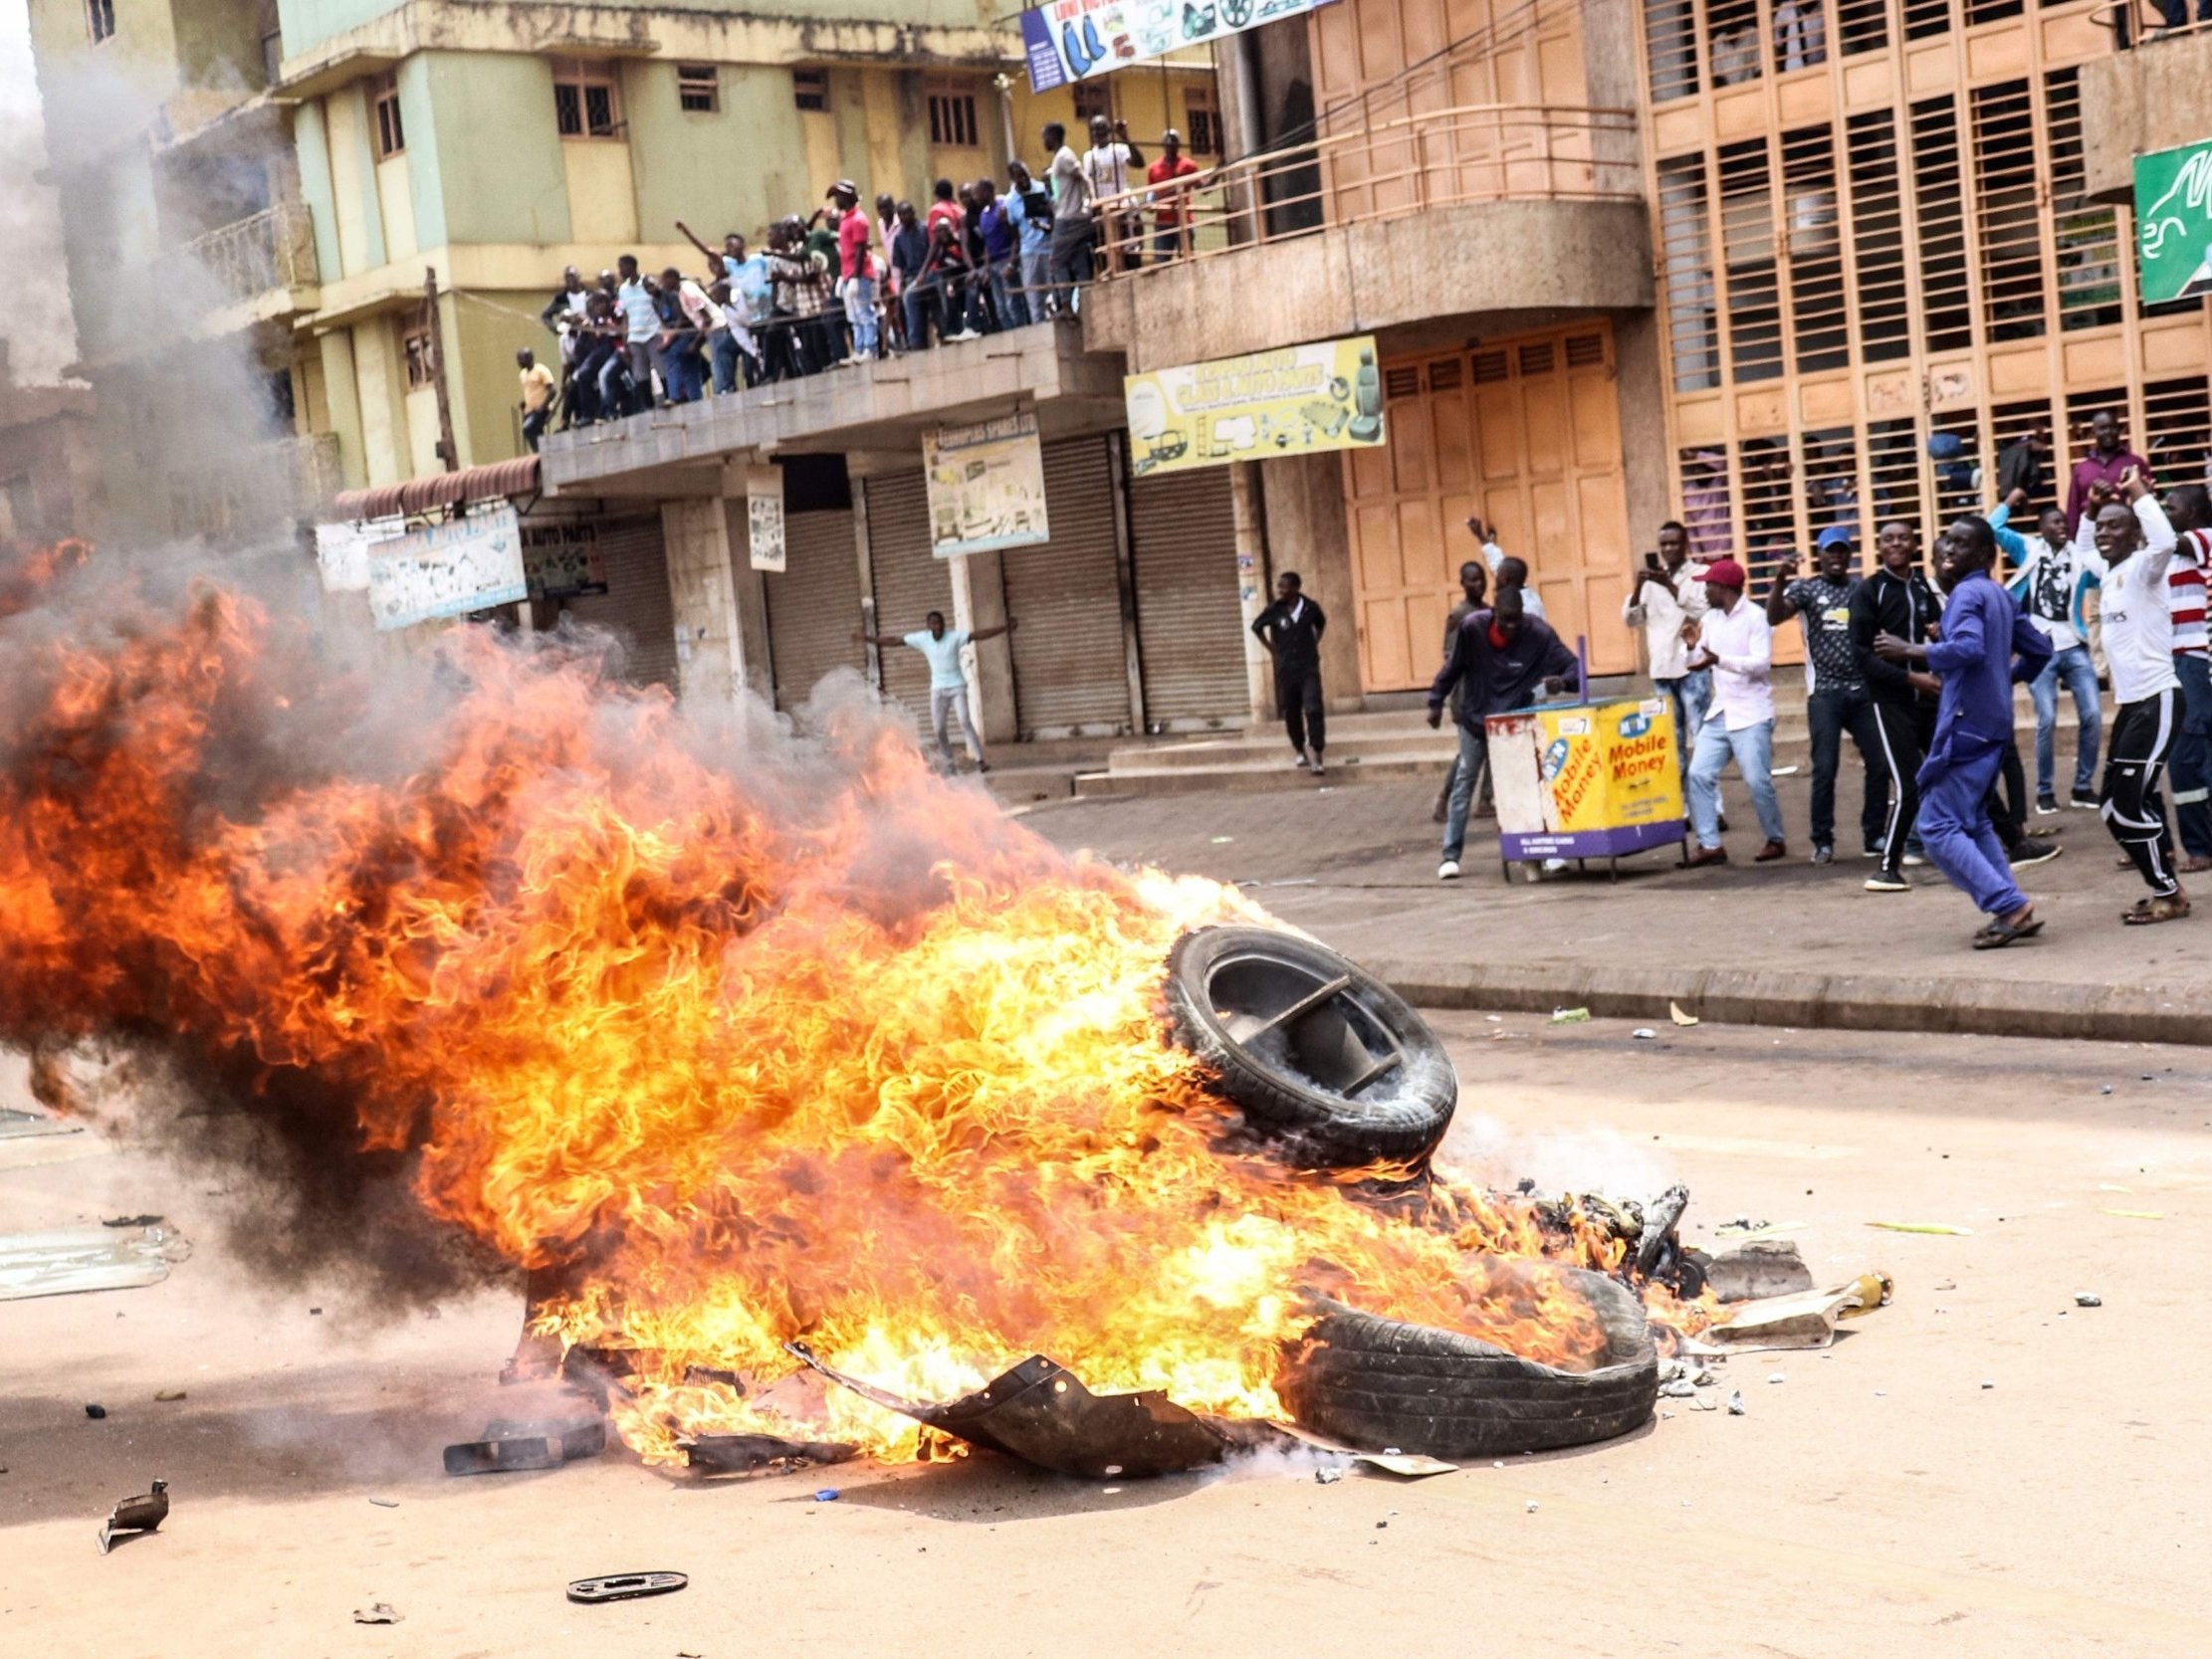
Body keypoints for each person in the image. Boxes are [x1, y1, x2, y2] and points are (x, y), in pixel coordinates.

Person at [1871, 516, 2051, 946]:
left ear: (1987, 556)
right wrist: (1999, 679)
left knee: (1935, 826)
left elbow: (1969, 649)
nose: (1949, 550)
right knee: (1971, 821)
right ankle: (2012, 904)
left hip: (1966, 724)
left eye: (1962, 544)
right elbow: (2040, 650)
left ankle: (2009, 905)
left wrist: (1911, 649)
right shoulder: (1999, 594)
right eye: (1948, 542)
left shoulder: (1968, 592)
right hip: (1992, 724)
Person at [2075, 472, 2189, 921]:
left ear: (2135, 533)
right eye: (2101, 526)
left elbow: (2163, 541)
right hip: (2132, 706)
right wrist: (2089, 511)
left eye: (2114, 525)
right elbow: (2084, 551)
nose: (2104, 532)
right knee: (2112, 805)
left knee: (2126, 805)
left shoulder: (2145, 567)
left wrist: (2138, 493)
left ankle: (2169, 893)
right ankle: (2164, 878)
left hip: (2158, 700)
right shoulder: (2111, 570)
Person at [1427, 588, 1576, 879]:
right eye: (1506, 620)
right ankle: (1450, 855)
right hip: (1477, 720)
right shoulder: (1472, 629)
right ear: (1494, 614)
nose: (1511, 628)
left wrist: (1563, 681)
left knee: (1526, 785)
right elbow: (1453, 667)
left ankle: (1541, 852)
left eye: (1516, 621)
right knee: (1465, 781)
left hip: (1514, 724)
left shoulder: (1537, 634)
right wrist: (1435, 701)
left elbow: (1573, 665)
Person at [1768, 526, 1879, 865]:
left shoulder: (1862, 588)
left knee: (1880, 763)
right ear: (1820, 555)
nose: (1836, 556)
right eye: (1830, 551)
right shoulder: (1805, 589)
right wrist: (1779, 581)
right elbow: (1774, 615)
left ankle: (1874, 834)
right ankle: (1823, 840)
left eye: (1842, 550)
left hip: (1862, 691)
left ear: (1850, 555)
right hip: (1825, 695)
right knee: (1825, 768)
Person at [1991, 488, 2100, 813]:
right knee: (2047, 719)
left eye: (2064, 522)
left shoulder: (2079, 553)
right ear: (2041, 529)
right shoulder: (2028, 548)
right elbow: (1991, 528)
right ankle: (2044, 791)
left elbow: (2100, 571)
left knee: (2093, 714)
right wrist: (2009, 502)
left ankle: (2082, 787)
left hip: (2074, 644)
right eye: (2054, 522)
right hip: (2039, 646)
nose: (2061, 526)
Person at [1851, 520, 1942, 891]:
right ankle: (1887, 866)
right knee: (1908, 785)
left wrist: (1939, 635)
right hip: (1889, 702)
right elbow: (1862, 655)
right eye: (1889, 539)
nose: (1897, 543)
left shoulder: (1923, 587)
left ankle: (1957, 849)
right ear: (1880, 547)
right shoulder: (1869, 591)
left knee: (1947, 774)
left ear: (1915, 544)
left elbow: (1941, 632)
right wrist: (1911, 678)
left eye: (1904, 537)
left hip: (1928, 701)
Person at [1682, 557, 1788, 867]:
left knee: (1757, 780)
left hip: (1752, 712)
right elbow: (1695, 661)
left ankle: (1775, 838)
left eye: (1709, 586)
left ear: (1724, 588)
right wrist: (1690, 646)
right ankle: (1710, 844)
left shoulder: (1756, 618)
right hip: (1721, 711)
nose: (1704, 592)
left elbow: (1761, 663)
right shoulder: (1712, 619)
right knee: (1698, 774)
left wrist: (1719, 660)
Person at [856, 610, 1018, 775]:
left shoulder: (954, 637)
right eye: (933, 624)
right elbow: (894, 640)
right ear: (929, 626)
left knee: (964, 721)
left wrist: (1004, 628)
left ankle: (980, 760)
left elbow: (978, 635)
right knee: (939, 729)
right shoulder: (922, 639)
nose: (937, 627)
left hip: (957, 687)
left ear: (943, 624)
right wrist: (868, 639)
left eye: (939, 623)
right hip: (938, 690)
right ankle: (949, 765)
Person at [1623, 519, 1711, 797]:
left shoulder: (1700, 574)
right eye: (1664, 544)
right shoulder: (1650, 582)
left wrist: (1671, 586)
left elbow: (1703, 611)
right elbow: (1631, 618)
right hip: (1662, 671)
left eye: (1674, 543)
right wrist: (1639, 587)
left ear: (1686, 544)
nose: (1669, 548)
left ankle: (1713, 807)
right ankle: (1681, 808)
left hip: (1691, 667)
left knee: (1702, 740)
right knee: (1672, 745)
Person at [2155, 483, 2212, 874]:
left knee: (2188, 756)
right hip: (2174, 663)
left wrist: (2141, 497)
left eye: (2170, 508)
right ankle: (2200, 845)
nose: (2164, 513)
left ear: (2192, 513)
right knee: (2189, 758)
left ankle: (2200, 847)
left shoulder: (2205, 539)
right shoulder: (2172, 555)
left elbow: (2167, 540)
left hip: (2194, 661)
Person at [1250, 571, 1328, 775]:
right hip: (1287, 670)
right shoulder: (1275, 610)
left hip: (1308, 667)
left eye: (1284, 587)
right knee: (1292, 712)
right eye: (1279, 586)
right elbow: (1256, 627)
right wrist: (1272, 650)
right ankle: (1299, 749)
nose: (1280, 590)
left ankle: (1317, 754)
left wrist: (1313, 644)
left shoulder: (1311, 607)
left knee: (1313, 708)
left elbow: (1321, 625)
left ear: (1295, 588)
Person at [1433, 557, 1490, 824]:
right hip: (1467, 695)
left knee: (1493, 747)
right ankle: (1445, 797)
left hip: (1490, 693)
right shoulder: (1459, 616)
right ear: (1463, 583)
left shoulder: (1490, 612)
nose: (1478, 584)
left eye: (1481, 578)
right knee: (1469, 754)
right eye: (1472, 580)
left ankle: (1486, 800)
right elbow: (1450, 656)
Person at [2066, 408, 2151, 533]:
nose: (2108, 432)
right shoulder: (2081, 469)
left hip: (2127, 534)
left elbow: (2148, 500)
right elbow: (2073, 509)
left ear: (2119, 430)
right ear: (2094, 432)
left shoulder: (2135, 463)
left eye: (2113, 427)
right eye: (2103, 428)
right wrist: (2072, 540)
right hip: (2091, 534)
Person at [1044, 121, 1095, 309]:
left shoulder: (1064, 156)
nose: (1044, 141)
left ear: (1053, 136)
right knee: (1078, 259)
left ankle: (1066, 306)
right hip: (1073, 215)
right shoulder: (1060, 157)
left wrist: (1092, 199)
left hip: (1068, 219)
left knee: (1056, 261)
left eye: (1045, 137)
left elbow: (1084, 177)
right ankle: (1086, 303)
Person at [1083, 115, 1143, 272]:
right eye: (1094, 129)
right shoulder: (1088, 156)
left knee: (1126, 249)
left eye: (1101, 127)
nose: (1097, 132)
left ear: (1108, 129)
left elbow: (1139, 163)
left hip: (1120, 207)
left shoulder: (1118, 150)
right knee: (1104, 252)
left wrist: (1125, 137)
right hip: (1101, 210)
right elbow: (1089, 184)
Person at [828, 180, 879, 363]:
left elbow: (859, 250)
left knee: (865, 313)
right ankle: (858, 349)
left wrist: (856, 277)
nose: (836, 200)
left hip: (861, 274)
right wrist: (845, 276)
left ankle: (870, 349)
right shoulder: (845, 219)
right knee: (854, 317)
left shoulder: (858, 219)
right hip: (849, 274)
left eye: (839, 196)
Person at [1465, 517, 1545, 620]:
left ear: (1505, 579)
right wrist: (1480, 535)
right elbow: (1496, 559)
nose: (1496, 576)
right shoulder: (1520, 588)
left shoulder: (1527, 607)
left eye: (1498, 574)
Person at [1006, 159, 1053, 322]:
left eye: (1025, 175)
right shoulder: (1010, 201)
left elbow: (1053, 215)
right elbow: (1014, 234)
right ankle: (1039, 328)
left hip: (1049, 248)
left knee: (1055, 293)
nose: (1024, 179)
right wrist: (1013, 260)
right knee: (1033, 297)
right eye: (1019, 177)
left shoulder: (1041, 188)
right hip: (1028, 253)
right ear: (1013, 178)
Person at [976, 177, 1024, 328]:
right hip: (994, 265)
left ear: (987, 191)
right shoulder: (983, 214)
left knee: (1013, 304)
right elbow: (986, 243)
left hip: (1006, 261)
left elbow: (1015, 237)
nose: (975, 197)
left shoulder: (1003, 207)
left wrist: (1012, 262)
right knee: (1000, 308)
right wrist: (987, 268)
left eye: (978, 193)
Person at [1146, 128, 1202, 261]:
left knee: (1187, 261)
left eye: (1174, 141)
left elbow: (1203, 188)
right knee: (1161, 262)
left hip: (1184, 220)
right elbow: (1150, 194)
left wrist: (1217, 173)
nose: (1170, 144)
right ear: (1163, 144)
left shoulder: (1188, 165)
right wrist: (1148, 204)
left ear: (1178, 145)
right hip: (1163, 222)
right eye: (1167, 141)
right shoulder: (1154, 168)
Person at [613, 255, 659, 412]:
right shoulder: (623, 289)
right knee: (640, 373)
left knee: (661, 368)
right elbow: (625, 316)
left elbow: (657, 302)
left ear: (631, 266)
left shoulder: (647, 282)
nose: (620, 271)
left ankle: (669, 399)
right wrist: (625, 342)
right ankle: (648, 407)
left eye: (622, 267)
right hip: (635, 337)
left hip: (653, 332)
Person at [889, 201, 936, 350]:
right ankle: (916, 343)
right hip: (911, 277)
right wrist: (901, 284)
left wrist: (924, 272)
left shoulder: (925, 228)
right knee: (909, 301)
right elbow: (900, 265)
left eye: (907, 213)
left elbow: (934, 251)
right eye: (901, 214)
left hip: (930, 273)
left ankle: (945, 332)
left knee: (935, 304)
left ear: (913, 212)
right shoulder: (899, 237)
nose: (904, 217)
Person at [517, 347, 555, 451]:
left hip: (542, 409)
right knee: (535, 433)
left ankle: (540, 453)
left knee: (528, 428)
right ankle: (544, 452)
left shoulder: (541, 370)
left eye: (521, 359)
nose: (519, 362)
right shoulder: (522, 374)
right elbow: (530, 391)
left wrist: (542, 406)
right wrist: (524, 402)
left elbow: (552, 391)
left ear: (530, 358)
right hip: (529, 411)